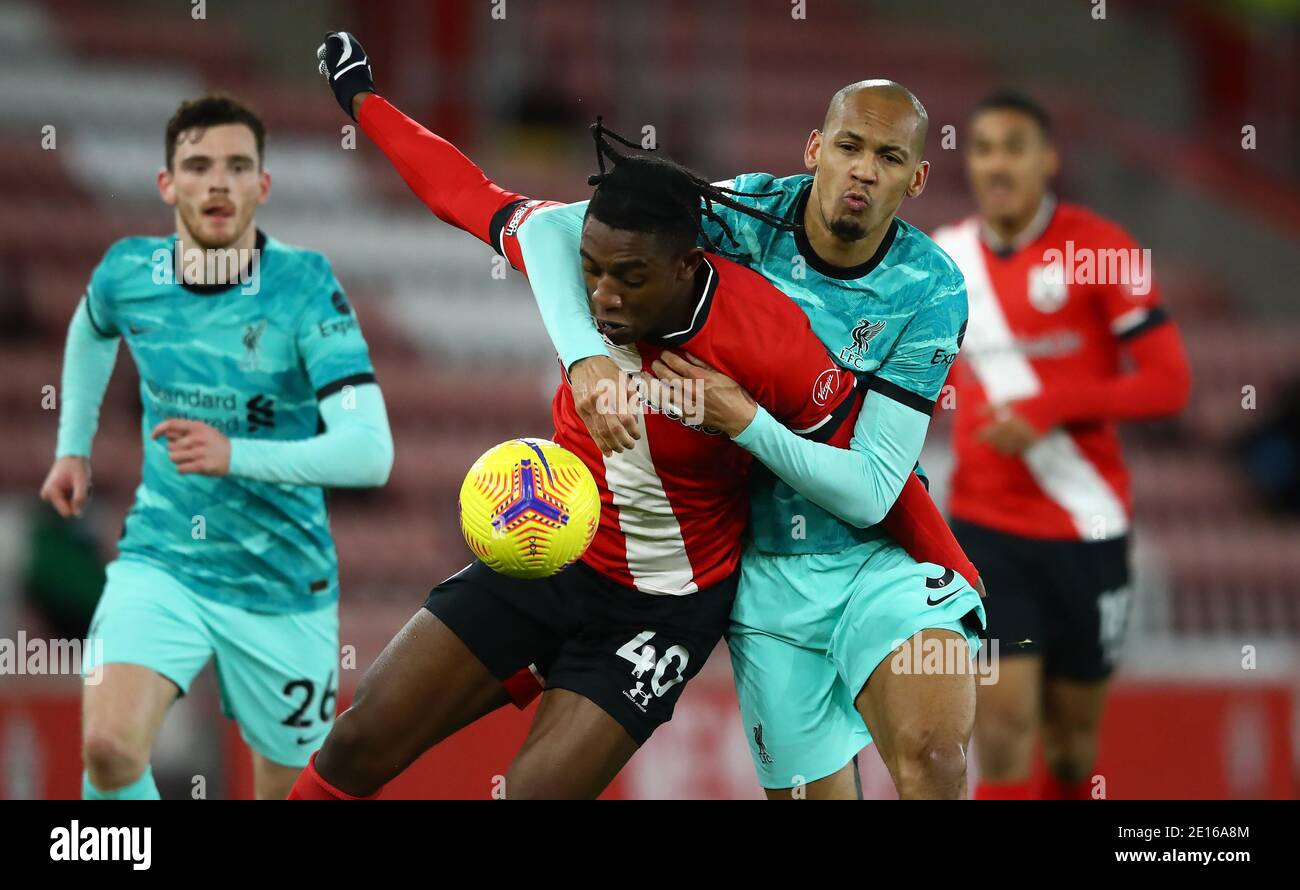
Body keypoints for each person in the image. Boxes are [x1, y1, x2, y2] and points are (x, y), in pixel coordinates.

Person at [504, 76, 987, 798]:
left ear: (916, 178)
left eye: (888, 157)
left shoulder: (932, 287)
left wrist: (744, 421)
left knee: (934, 759)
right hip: (765, 582)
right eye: (850, 146)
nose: (863, 168)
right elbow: (549, 229)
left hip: (876, 560)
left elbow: (872, 490)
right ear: (815, 148)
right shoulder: (740, 211)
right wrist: (587, 360)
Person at [39, 95, 393, 800]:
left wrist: (237, 456)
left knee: (289, 794)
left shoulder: (304, 288)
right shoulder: (129, 273)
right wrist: (71, 446)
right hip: (163, 560)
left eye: (237, 166)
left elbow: (370, 451)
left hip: (284, 584)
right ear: (168, 184)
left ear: (262, 186)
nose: (218, 183)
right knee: (109, 750)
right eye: (198, 166)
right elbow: (91, 326)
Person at [931, 91, 1191, 800]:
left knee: (1073, 745)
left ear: (1049, 159)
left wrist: (1050, 407)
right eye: (983, 147)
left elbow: (1170, 384)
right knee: (1004, 725)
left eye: (1015, 146)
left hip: (1088, 524)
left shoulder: (1102, 250)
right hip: (985, 530)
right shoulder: (943, 261)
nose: (997, 163)